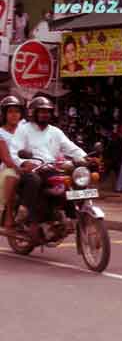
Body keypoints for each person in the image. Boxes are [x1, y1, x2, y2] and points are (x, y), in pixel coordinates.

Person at [11, 96, 89, 243]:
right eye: (41, 112)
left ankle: (69, 218)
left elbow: (71, 147)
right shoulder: (23, 130)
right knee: (34, 180)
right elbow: (14, 151)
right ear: (33, 113)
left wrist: (85, 158)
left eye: (47, 112)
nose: (44, 115)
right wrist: (23, 162)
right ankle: (25, 211)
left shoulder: (55, 131)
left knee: (68, 183)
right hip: (32, 170)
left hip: (51, 168)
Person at [0, 96, 24, 232]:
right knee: (11, 176)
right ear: (4, 114)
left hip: (29, 165)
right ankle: (8, 214)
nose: (14, 115)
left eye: (17, 111)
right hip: (10, 167)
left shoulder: (26, 128)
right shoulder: (1, 133)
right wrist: (19, 168)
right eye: (10, 111)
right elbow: (6, 158)